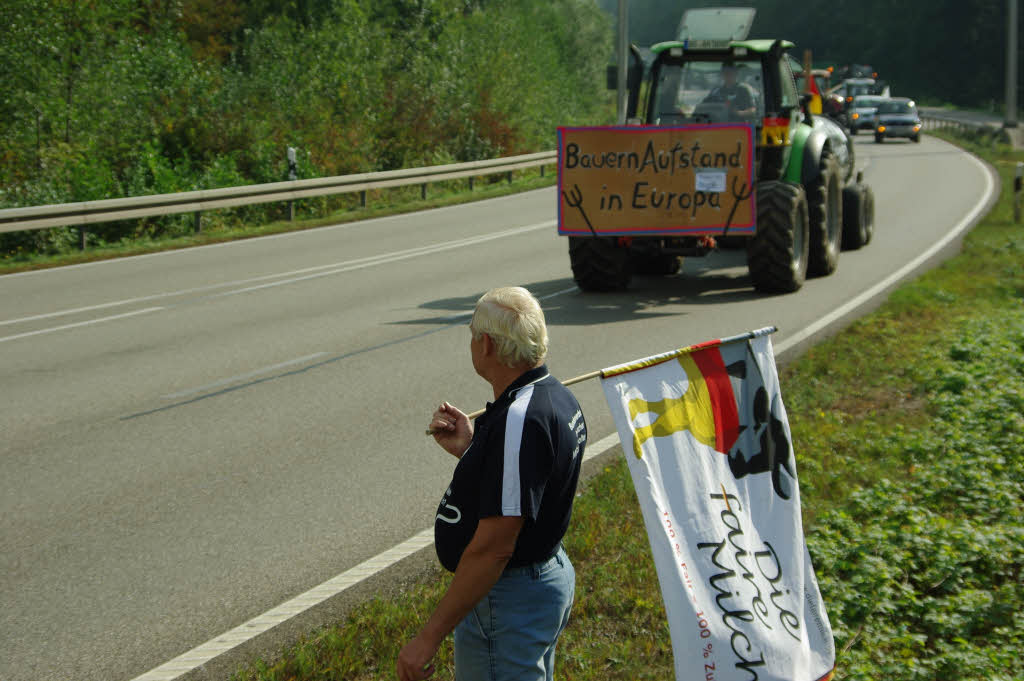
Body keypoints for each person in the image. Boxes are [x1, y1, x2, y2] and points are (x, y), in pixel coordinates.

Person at [397, 286, 588, 681]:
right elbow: (530, 482)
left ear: (485, 344)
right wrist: (472, 449)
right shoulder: (555, 397)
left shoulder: (521, 419)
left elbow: (494, 548)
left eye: (472, 333)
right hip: (538, 582)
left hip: (509, 599)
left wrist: (428, 637)